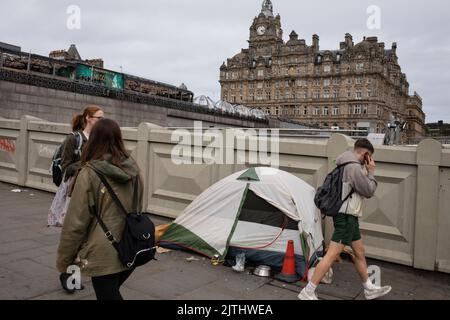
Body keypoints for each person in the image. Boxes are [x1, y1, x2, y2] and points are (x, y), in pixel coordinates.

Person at [56, 118, 143, 300]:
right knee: (111, 293)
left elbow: (75, 223)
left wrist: (65, 261)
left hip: (104, 251)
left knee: (107, 295)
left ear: (93, 140)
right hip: (131, 244)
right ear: (119, 139)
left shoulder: (88, 173)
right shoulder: (133, 168)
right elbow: (138, 205)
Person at [298, 138, 392, 300]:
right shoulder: (353, 167)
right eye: (369, 157)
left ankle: (368, 288)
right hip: (346, 218)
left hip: (350, 218)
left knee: (359, 252)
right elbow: (369, 191)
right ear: (366, 154)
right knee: (332, 255)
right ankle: (308, 291)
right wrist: (371, 172)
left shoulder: (343, 163)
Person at [48, 105, 104, 227]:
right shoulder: (73, 139)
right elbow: (66, 167)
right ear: (88, 118)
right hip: (77, 187)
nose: (102, 121)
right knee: (75, 224)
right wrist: (87, 163)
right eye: (99, 118)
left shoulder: (99, 139)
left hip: (94, 186)